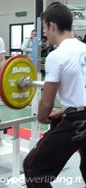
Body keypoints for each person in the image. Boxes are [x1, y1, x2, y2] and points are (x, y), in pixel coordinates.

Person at [23, 2, 86, 188]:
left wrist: (43, 118)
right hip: (78, 115)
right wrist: (64, 111)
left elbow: (46, 104)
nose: (45, 34)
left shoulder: (56, 56)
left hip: (78, 122)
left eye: (45, 29)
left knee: (33, 168)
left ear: (52, 25)